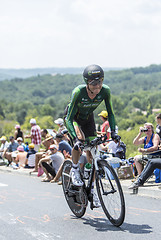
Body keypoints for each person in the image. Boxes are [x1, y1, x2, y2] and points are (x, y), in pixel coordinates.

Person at [65, 64, 117, 207]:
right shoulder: (78, 92)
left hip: (88, 119)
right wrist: (75, 139)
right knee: (80, 141)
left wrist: (114, 132)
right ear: (87, 82)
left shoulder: (105, 91)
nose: (97, 86)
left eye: (100, 81)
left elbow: (111, 113)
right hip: (73, 118)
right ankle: (75, 169)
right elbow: (68, 119)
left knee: (94, 151)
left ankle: (92, 188)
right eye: (93, 83)